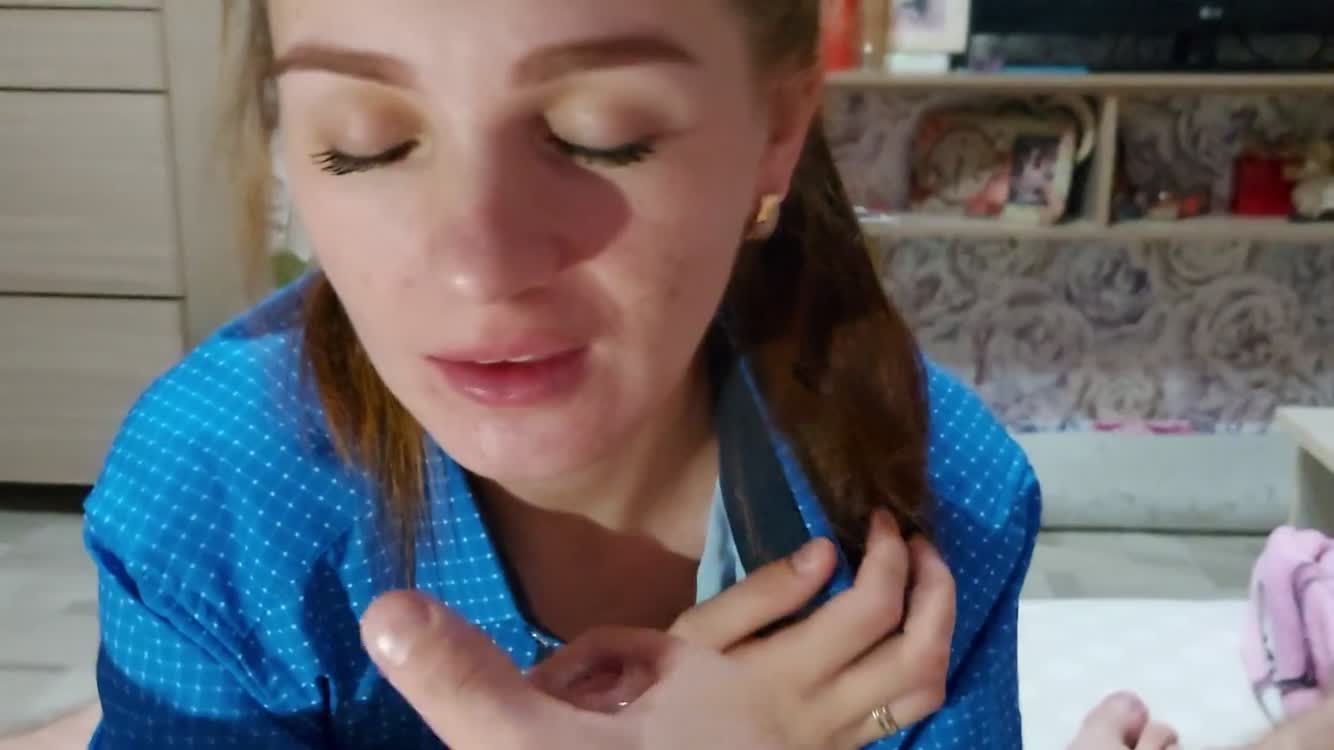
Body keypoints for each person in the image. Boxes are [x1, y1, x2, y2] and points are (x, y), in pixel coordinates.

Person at [79, 0, 1049, 747]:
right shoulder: (211, 491)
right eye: (365, 143)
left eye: (599, 134)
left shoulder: (936, 491)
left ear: (777, 131)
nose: (479, 267)